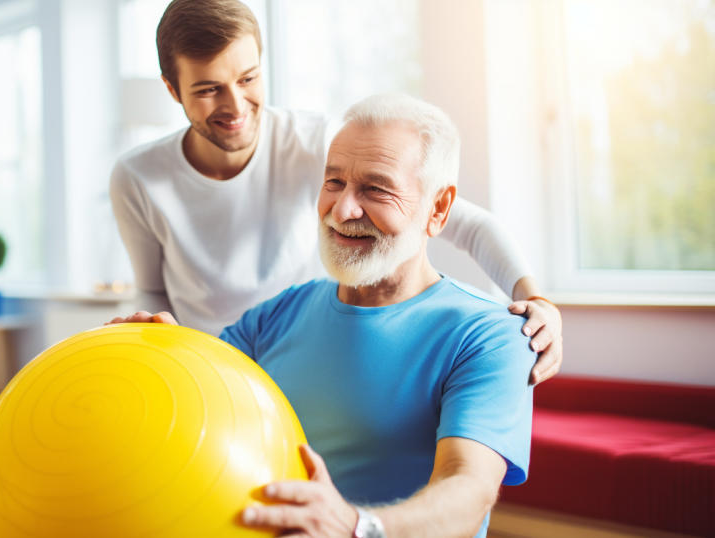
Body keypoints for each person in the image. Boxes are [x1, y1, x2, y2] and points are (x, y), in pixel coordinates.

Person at [111, 92, 535, 537]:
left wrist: (358, 527)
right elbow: (205, 402)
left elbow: (468, 491)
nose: (343, 209)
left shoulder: (491, 335)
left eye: (375, 189)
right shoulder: (275, 317)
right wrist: (160, 359)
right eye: (334, 182)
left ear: (440, 208)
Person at [109, 0, 562, 384]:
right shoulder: (138, 177)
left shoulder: (316, 143)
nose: (234, 106)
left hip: (312, 360)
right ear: (172, 89)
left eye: (247, 79)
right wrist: (158, 345)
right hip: (212, 374)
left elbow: (467, 223)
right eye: (209, 89)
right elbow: (152, 290)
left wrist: (535, 298)